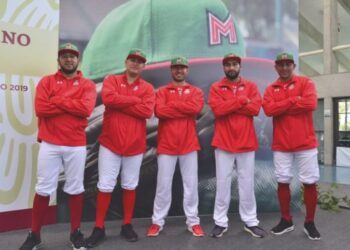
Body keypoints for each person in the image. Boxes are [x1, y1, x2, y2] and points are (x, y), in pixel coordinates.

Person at [19, 43, 97, 250]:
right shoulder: (47, 81)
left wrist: (58, 100)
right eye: (64, 56)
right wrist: (71, 103)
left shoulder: (87, 85)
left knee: (76, 188)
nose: (68, 59)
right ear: (59, 59)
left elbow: (85, 109)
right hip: (50, 143)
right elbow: (41, 108)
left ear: (78, 59)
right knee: (43, 189)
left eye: (72, 56)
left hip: (75, 144)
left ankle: (75, 233)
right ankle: (34, 235)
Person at [86, 49, 155, 247]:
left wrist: (122, 103)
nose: (135, 63)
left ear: (143, 66)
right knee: (105, 186)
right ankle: (99, 227)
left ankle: (126, 224)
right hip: (110, 143)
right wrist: (134, 101)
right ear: (126, 61)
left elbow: (146, 111)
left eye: (140, 61)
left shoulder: (148, 87)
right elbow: (109, 99)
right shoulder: (112, 80)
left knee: (129, 186)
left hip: (134, 144)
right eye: (132, 60)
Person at [262, 52, 321, 240]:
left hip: (305, 143)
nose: (284, 67)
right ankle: (286, 220)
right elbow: (269, 110)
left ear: (293, 66)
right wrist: (294, 100)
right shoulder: (271, 88)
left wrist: (283, 105)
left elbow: (311, 103)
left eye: (288, 64)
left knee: (309, 182)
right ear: (276, 67)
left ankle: (310, 222)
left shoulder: (306, 82)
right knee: (282, 181)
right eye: (281, 65)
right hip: (282, 144)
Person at [208, 53, 266, 238]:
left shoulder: (251, 86)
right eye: (228, 65)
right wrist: (241, 101)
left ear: (240, 66)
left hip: (246, 141)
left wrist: (230, 104)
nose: (231, 68)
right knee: (223, 183)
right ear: (223, 67)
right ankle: (220, 221)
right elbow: (218, 110)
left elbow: (255, 109)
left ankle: (250, 221)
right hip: (224, 142)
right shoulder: (216, 87)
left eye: (234, 64)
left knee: (247, 184)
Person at [146, 56, 205, 237]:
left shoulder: (195, 91)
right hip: (167, 145)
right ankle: (157, 222)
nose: (179, 71)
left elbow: (195, 109)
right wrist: (183, 108)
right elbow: (160, 111)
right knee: (163, 186)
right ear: (171, 70)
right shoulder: (162, 91)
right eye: (176, 68)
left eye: (182, 68)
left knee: (191, 185)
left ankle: (193, 222)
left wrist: (174, 107)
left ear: (187, 70)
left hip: (189, 145)